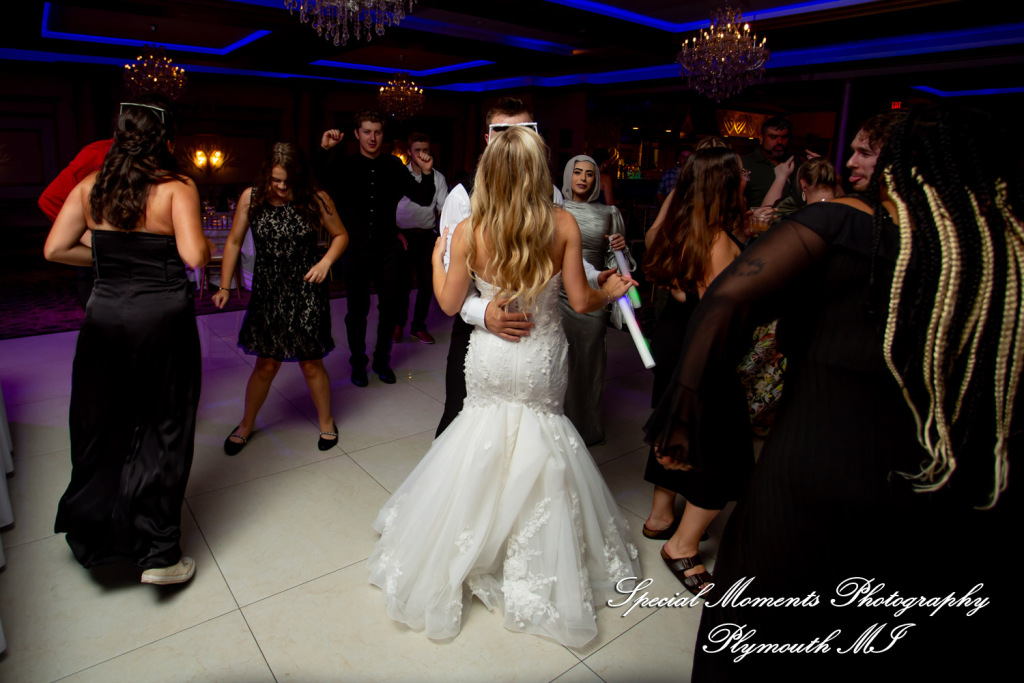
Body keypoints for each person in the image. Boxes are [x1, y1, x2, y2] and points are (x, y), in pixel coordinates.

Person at [648, 105, 1019, 679]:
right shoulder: (998, 261)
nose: (850, 160)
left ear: (910, 166)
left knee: (764, 630)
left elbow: (725, 301)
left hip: (814, 473)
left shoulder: (840, 225)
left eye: (869, 151)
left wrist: (684, 408)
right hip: (940, 485)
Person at [369, 126, 640, 647]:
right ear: (539, 172)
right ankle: (531, 554)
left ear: (488, 173)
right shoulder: (560, 223)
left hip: (492, 354)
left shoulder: (471, 229)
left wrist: (435, 259)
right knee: (543, 439)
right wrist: (609, 289)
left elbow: (449, 306)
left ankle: (469, 544)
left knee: (479, 435)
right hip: (540, 352)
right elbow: (581, 303)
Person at [44, 100, 210, 585]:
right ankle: (158, 555)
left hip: (105, 316)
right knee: (164, 426)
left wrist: (107, 254)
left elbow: (55, 248)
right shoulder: (178, 187)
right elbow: (195, 255)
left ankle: (97, 538)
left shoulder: (90, 187)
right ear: (166, 140)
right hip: (161, 317)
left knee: (103, 422)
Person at [434, 97, 610, 437]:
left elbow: (562, 258)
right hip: (479, 329)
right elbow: (457, 289)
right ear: (488, 139)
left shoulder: (554, 197)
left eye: (524, 131)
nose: (514, 139)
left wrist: (593, 274)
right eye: (503, 131)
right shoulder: (460, 198)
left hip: (535, 334)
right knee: (458, 420)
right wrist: (486, 313)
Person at [640, 147, 754, 595]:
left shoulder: (677, 228)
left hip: (671, 339)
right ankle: (682, 546)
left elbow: (650, 240)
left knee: (674, 427)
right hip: (699, 352)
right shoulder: (719, 240)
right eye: (741, 172)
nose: (747, 177)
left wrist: (681, 193)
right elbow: (719, 316)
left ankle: (660, 517)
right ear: (725, 184)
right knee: (728, 450)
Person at [213, 143, 348, 454]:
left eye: (288, 180)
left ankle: (326, 421)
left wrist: (325, 262)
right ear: (266, 175)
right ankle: (245, 424)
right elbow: (233, 241)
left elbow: (341, 235)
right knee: (266, 363)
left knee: (311, 363)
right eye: (276, 179)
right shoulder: (252, 198)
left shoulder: (315, 198)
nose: (282, 186)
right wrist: (223, 286)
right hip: (268, 292)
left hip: (306, 291)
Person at [317, 111, 437, 387]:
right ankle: (358, 364)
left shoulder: (394, 166)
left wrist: (427, 172)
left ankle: (382, 361)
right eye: (367, 132)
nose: (372, 137)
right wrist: (324, 150)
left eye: (377, 132)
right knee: (356, 311)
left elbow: (423, 197)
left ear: (383, 134)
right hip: (354, 250)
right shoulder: (344, 166)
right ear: (357, 134)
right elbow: (318, 179)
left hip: (387, 251)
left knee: (390, 308)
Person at [559, 154, 627, 445]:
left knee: (588, 363)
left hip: (594, 294)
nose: (583, 178)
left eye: (589, 173)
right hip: (558, 294)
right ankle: (556, 432)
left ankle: (585, 429)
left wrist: (621, 249)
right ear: (568, 176)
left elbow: (618, 264)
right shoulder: (554, 208)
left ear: (596, 179)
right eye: (577, 172)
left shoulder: (609, 213)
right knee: (558, 362)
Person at [394, 132, 448, 345]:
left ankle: (418, 327)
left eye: (425, 150)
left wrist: (443, 238)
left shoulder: (438, 178)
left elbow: (444, 209)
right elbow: (387, 208)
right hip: (402, 236)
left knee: (427, 284)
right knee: (402, 285)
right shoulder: (399, 175)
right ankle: (398, 325)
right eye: (417, 150)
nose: (422, 154)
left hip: (426, 236)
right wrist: (394, 232)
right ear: (409, 152)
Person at [742, 116, 800, 208]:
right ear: (761, 138)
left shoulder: (797, 164)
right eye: (773, 137)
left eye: (784, 137)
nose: (780, 141)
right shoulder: (745, 164)